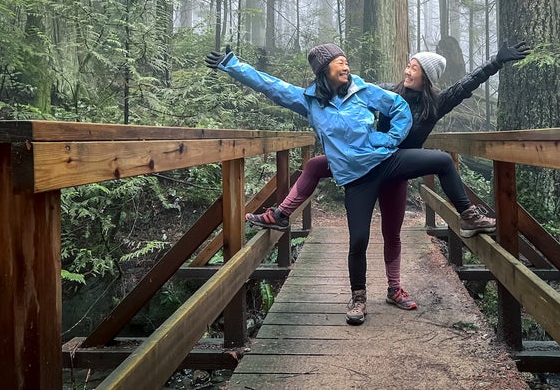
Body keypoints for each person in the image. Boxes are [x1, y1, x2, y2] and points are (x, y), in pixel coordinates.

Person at [205, 43, 497, 325]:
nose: (346, 66)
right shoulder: (308, 102)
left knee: (441, 163)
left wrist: (386, 140)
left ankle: (464, 220)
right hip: (357, 178)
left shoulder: (361, 89)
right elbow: (270, 85)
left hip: (388, 161)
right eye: (340, 62)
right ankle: (358, 298)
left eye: (346, 61)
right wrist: (232, 65)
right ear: (324, 71)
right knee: (358, 239)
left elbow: (398, 108)